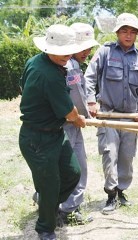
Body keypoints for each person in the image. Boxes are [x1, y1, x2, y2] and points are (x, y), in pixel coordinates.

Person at [19, 24, 86, 240]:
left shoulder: (37, 61)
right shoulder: (48, 74)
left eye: (69, 50)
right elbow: (69, 113)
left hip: (55, 133)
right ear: (49, 48)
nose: (66, 55)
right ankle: (45, 229)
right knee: (50, 184)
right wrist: (78, 119)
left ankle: (46, 202)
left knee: (73, 173)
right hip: (37, 138)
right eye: (61, 51)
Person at [84, 13, 138, 214]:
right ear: (117, 32)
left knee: (127, 156)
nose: (128, 35)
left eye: (132, 32)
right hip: (108, 114)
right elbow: (89, 77)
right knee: (109, 154)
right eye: (124, 31)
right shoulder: (104, 52)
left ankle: (122, 191)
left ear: (137, 34)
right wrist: (91, 101)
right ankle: (111, 194)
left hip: (130, 117)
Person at [58, 23, 99, 225]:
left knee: (61, 167)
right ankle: (69, 210)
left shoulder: (66, 64)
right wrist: (87, 116)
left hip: (65, 124)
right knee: (77, 169)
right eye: (83, 47)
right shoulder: (70, 66)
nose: (87, 52)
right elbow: (76, 98)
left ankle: (47, 200)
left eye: (89, 48)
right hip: (71, 124)